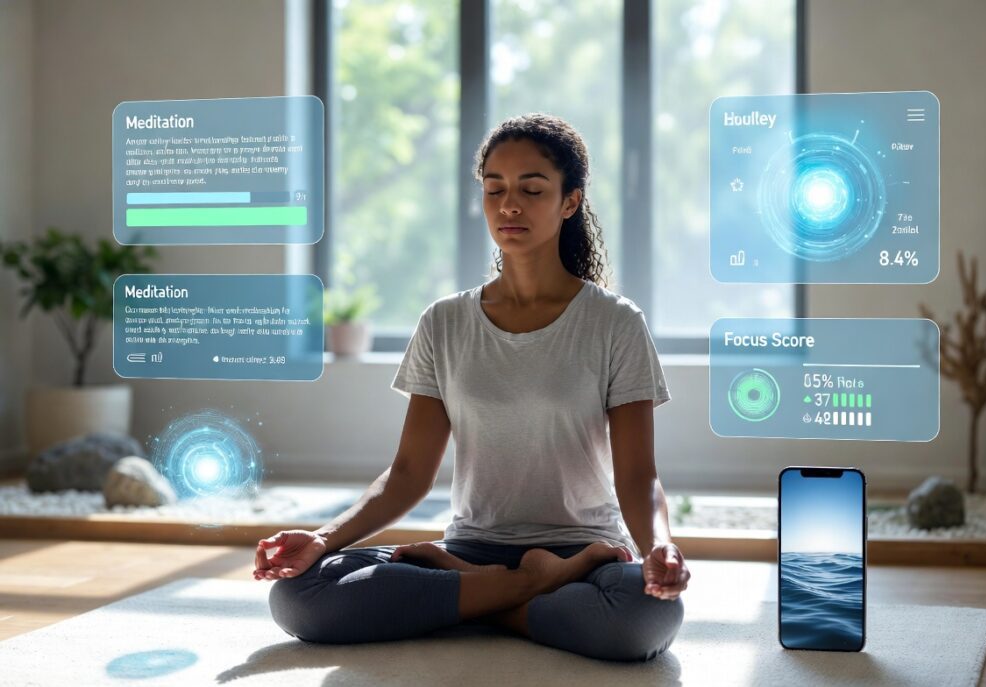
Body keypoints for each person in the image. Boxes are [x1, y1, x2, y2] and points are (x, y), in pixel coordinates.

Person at [254, 113, 690, 662]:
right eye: (494, 189)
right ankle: (530, 589)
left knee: (644, 616)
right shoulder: (444, 322)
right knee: (300, 598)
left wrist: (659, 546)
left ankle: (472, 595)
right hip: (473, 544)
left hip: (586, 550)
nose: (509, 205)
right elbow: (409, 473)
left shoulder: (614, 322)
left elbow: (638, 475)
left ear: (570, 202)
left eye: (532, 189)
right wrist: (322, 539)